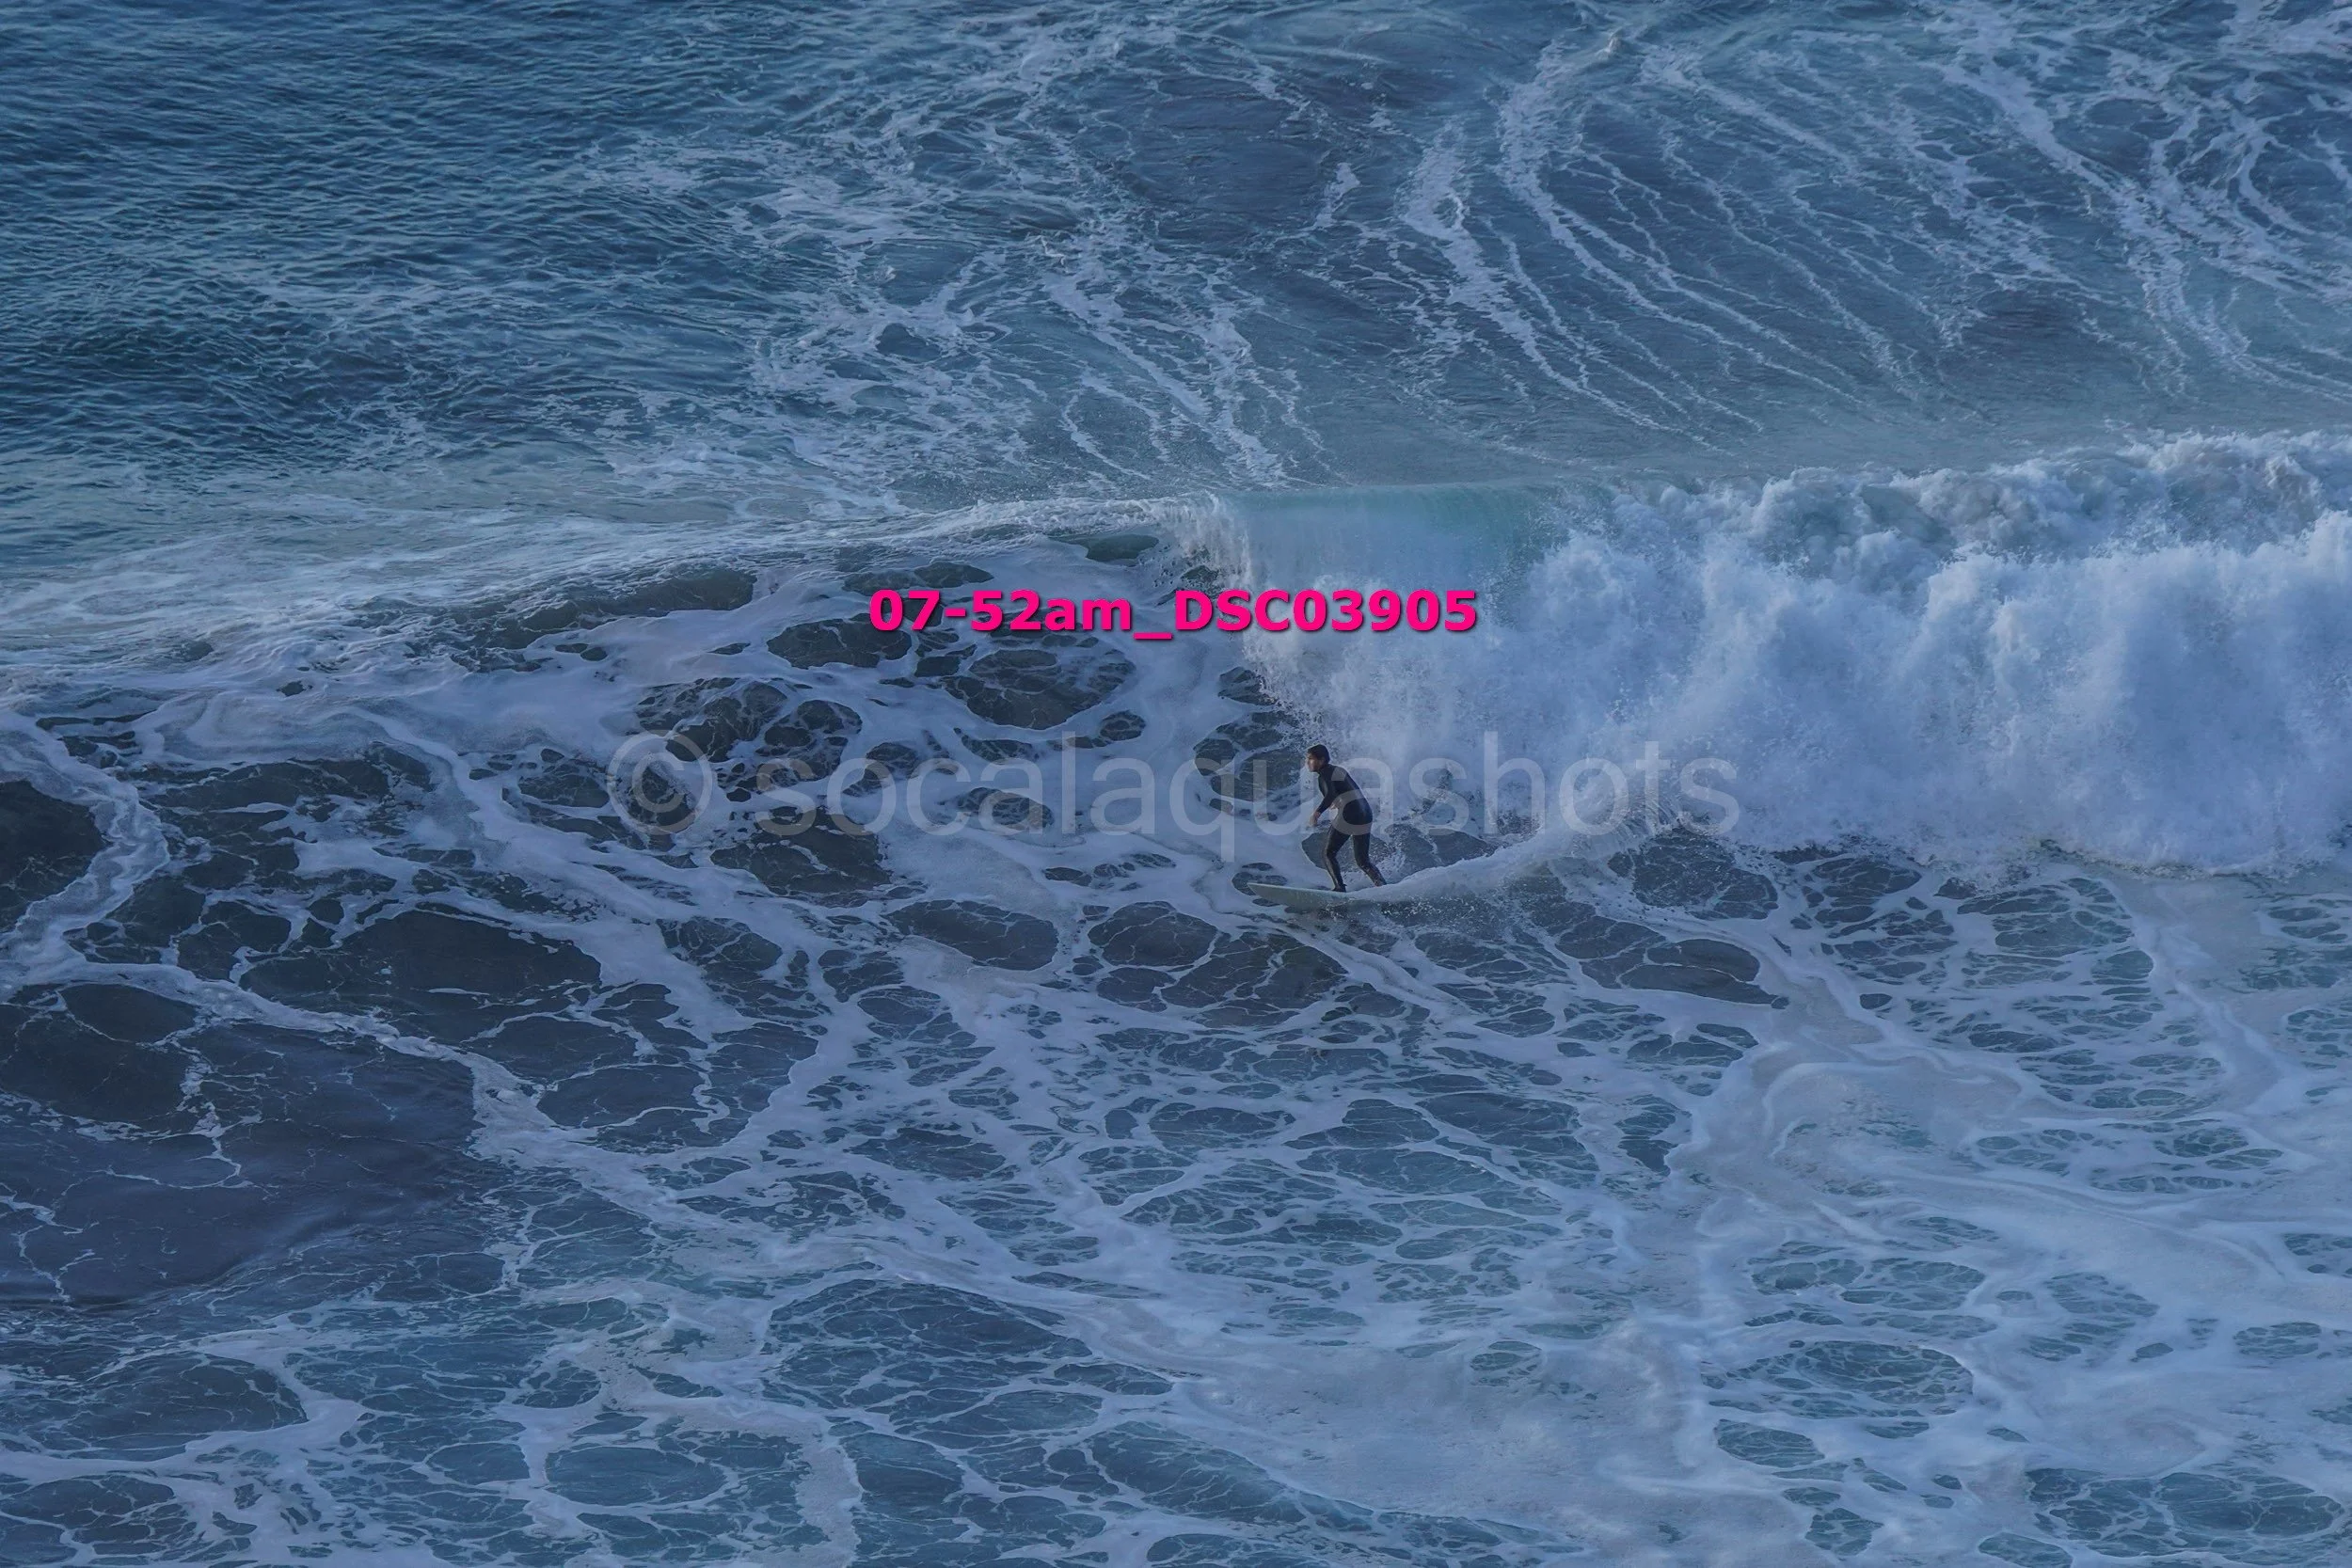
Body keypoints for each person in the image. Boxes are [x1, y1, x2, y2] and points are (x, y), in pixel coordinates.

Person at [1306, 745, 1385, 892]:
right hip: (1365, 813)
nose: (1307, 762)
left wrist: (1317, 812)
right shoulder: (1338, 770)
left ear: (1321, 760)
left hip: (1351, 813)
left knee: (1328, 853)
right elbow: (1343, 791)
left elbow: (1330, 794)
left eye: (1310, 759)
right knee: (1363, 860)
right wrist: (1335, 801)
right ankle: (1383, 888)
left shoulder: (1324, 774)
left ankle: (1339, 888)